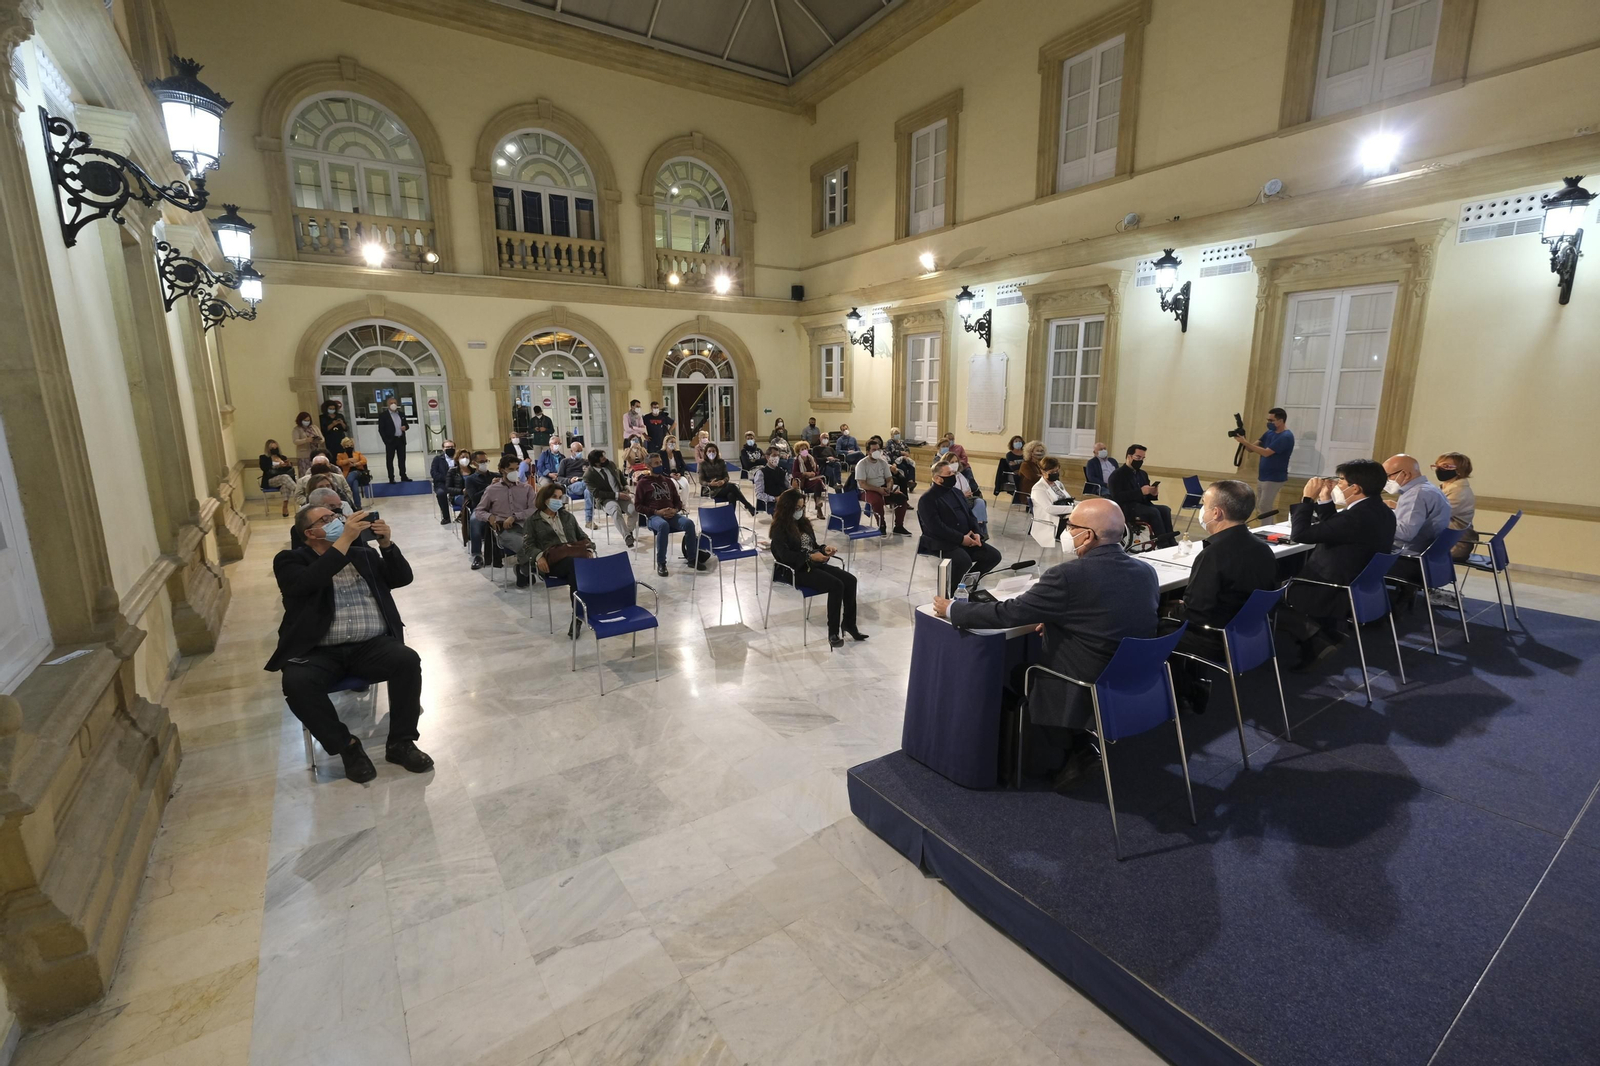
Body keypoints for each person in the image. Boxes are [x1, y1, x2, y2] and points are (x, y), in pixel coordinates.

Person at [933, 497, 1156, 789]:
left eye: (1070, 526)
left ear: (1087, 535)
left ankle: (1067, 750)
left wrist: (952, 609)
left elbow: (1009, 613)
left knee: (1017, 673)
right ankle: (1078, 744)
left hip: (1087, 683)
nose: (1066, 531)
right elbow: (1107, 613)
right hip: (1135, 679)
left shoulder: (1067, 576)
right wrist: (1058, 620)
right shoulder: (1145, 571)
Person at [267, 506, 432, 783]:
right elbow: (305, 584)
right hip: (317, 650)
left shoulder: (363, 554)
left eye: (336, 516)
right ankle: (348, 747)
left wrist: (386, 544)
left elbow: (401, 578)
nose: (337, 521)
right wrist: (344, 540)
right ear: (310, 532)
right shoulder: (290, 560)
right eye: (326, 520)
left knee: (407, 660)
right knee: (296, 684)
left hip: (370, 645)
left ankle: (401, 743)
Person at [1166, 481, 1278, 713]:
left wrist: (1170, 609)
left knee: (1156, 628)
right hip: (1250, 633)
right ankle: (1192, 683)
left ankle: (1185, 689)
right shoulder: (1263, 549)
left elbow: (1195, 613)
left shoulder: (1213, 555)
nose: (1202, 511)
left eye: (1204, 505)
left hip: (1216, 637)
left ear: (1217, 512)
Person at [1275, 459, 1397, 669]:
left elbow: (1301, 534)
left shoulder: (1355, 517)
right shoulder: (1380, 510)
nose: (1337, 485)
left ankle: (1315, 638)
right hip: (1357, 581)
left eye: (1341, 481)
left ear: (1355, 488)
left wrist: (1307, 499)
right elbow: (1336, 527)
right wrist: (1324, 500)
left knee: (1268, 592)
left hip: (1328, 586)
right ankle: (1327, 633)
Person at [769, 487, 868, 648]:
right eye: (797, 508)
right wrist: (809, 556)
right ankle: (833, 632)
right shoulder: (779, 529)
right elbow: (784, 557)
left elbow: (812, 546)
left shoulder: (803, 523)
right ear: (787, 508)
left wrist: (823, 549)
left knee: (850, 580)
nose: (800, 511)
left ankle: (849, 624)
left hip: (812, 564)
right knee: (836, 585)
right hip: (795, 570)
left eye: (802, 507)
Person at [521, 482, 595, 639]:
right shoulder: (532, 521)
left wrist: (589, 548)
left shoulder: (568, 517)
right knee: (577, 567)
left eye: (560, 497)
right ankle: (582, 613)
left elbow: (584, 538)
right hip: (552, 562)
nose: (558, 500)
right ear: (544, 498)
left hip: (573, 560)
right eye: (554, 497)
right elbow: (528, 546)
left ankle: (578, 615)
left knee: (578, 567)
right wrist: (539, 556)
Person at [917, 456, 1002, 587]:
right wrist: (961, 539)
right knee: (963, 561)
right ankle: (949, 592)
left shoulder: (956, 492)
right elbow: (936, 528)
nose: (953, 476)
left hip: (967, 538)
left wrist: (977, 533)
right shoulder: (927, 499)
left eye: (953, 473)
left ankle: (967, 584)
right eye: (949, 474)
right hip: (943, 541)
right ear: (938, 478)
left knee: (994, 556)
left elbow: (970, 515)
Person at [1382, 453, 1453, 596]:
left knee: (1352, 558)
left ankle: (1359, 607)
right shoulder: (1429, 488)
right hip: (1431, 559)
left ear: (1405, 474)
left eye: (1388, 476)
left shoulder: (1416, 494)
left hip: (1409, 559)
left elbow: (1404, 534)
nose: (1385, 481)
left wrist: (1377, 521)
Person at [634, 452, 708, 578]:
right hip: (654, 517)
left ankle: (692, 558)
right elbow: (638, 506)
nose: (660, 465)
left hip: (672, 514)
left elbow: (678, 501)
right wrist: (656, 512)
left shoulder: (668, 481)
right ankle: (661, 563)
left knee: (689, 523)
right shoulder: (643, 483)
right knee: (663, 525)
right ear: (649, 466)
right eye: (656, 463)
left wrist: (675, 510)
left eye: (660, 462)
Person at [474, 456, 539, 585]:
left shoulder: (527, 489)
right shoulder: (492, 490)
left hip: (526, 526)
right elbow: (479, 511)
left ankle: (523, 568)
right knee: (524, 545)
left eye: (517, 469)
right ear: (502, 470)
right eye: (511, 469)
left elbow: (533, 509)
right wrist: (490, 517)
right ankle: (526, 570)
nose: (514, 472)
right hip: (504, 529)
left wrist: (515, 516)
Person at [1108, 444, 1176, 548]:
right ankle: (1162, 543)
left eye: (1143, 458)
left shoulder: (1143, 474)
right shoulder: (1117, 475)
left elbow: (1146, 496)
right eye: (1138, 457)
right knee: (1154, 512)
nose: (1140, 460)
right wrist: (1140, 492)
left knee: (1165, 509)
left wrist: (1153, 494)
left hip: (1143, 504)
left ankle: (1171, 541)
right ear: (1129, 457)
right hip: (1128, 507)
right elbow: (1117, 497)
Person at [1232, 408, 1294, 517]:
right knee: (1260, 507)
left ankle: (1267, 531)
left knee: (1265, 506)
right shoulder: (1269, 433)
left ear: (1281, 421)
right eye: (1268, 420)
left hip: (1274, 477)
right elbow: (1251, 448)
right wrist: (1243, 439)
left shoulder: (1286, 437)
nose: (1269, 423)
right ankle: (1263, 529)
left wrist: (1245, 442)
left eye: (1272, 420)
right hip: (1263, 476)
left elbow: (1266, 453)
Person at [584, 449, 637, 547]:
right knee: (615, 510)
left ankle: (629, 531)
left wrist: (625, 486)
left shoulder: (610, 464)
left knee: (633, 510)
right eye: (602, 458)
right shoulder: (588, 475)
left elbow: (620, 474)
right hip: (605, 499)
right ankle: (627, 537)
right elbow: (596, 493)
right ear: (596, 463)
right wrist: (616, 495)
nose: (605, 459)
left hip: (621, 494)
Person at [1432, 452, 1477, 562]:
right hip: (1445, 539)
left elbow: (1436, 515)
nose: (1439, 469)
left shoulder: (1460, 491)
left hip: (1455, 544)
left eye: (1445, 466)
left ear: (1459, 470)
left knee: (1403, 549)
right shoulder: (1447, 487)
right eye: (1437, 466)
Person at [698, 444, 755, 515]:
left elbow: (726, 477)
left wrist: (723, 481)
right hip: (711, 489)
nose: (711, 453)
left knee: (731, 495)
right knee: (732, 487)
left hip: (722, 486)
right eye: (709, 451)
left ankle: (730, 516)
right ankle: (748, 506)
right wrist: (710, 484)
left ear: (716, 452)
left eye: (713, 451)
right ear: (706, 453)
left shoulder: (721, 462)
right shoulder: (702, 464)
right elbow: (701, 480)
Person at [945, 444, 988, 533]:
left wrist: (968, 494)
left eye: (956, 461)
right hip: (954, 502)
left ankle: (979, 528)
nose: (954, 464)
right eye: (951, 462)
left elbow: (967, 488)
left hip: (966, 499)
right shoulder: (944, 477)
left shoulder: (960, 475)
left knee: (980, 502)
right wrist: (962, 495)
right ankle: (976, 530)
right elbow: (946, 493)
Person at [1029, 457, 1075, 540]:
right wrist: (1073, 509)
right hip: (1053, 522)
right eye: (1052, 472)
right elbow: (1049, 508)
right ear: (1043, 472)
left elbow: (1068, 499)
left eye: (1057, 471)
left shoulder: (1058, 483)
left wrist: (1083, 505)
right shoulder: (1039, 488)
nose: (1055, 473)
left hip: (1065, 516)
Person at [556, 442, 593, 526]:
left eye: (581, 451)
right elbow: (559, 478)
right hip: (572, 486)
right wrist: (569, 480)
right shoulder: (565, 462)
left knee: (588, 491)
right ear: (571, 451)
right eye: (577, 451)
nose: (579, 453)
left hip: (585, 483)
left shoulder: (586, 462)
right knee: (588, 485)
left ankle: (589, 521)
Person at [260, 440, 298, 517]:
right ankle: (299, 492)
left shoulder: (282, 457)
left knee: (285, 486)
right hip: (270, 479)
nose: (274, 449)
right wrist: (277, 466)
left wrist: (288, 465)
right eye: (272, 447)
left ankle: (285, 507)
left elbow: (288, 470)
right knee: (285, 477)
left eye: (276, 447)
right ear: (268, 448)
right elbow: (264, 468)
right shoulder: (263, 458)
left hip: (283, 480)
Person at [376, 398, 411, 482]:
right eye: (391, 403)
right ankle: (391, 477)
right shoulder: (383, 415)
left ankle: (403, 475)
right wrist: (386, 441)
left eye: (395, 402)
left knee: (402, 459)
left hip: (401, 440)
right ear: (388, 405)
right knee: (390, 460)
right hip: (391, 441)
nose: (393, 404)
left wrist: (405, 427)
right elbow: (381, 429)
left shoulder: (401, 414)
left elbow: (406, 425)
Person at [791, 441, 827, 515]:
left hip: (813, 480)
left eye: (805, 448)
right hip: (803, 481)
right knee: (819, 482)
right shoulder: (797, 461)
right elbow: (795, 474)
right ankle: (818, 506)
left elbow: (817, 470)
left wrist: (813, 474)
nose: (804, 450)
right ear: (799, 451)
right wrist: (805, 474)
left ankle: (818, 505)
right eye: (802, 449)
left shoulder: (811, 458)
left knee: (818, 481)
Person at [754, 447, 789, 516]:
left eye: (778, 455)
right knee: (782, 513)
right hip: (770, 502)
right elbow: (759, 494)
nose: (776, 458)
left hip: (784, 500)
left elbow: (787, 487)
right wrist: (775, 499)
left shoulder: (782, 471)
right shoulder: (761, 473)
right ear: (767, 457)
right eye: (774, 455)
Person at [428, 440, 457, 524]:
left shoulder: (458, 458)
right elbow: (434, 473)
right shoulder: (437, 459)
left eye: (452, 447)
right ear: (443, 448)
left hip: (457, 483)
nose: (450, 449)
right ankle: (446, 517)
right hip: (442, 483)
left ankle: (462, 515)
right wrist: (447, 478)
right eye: (447, 447)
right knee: (441, 494)